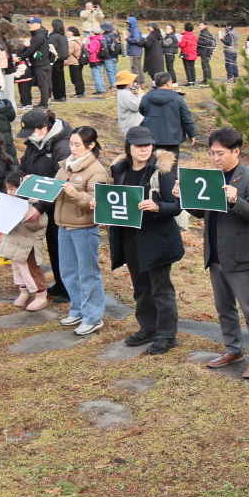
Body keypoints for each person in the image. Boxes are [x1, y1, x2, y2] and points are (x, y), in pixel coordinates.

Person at [185, 127, 249, 377]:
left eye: (220, 153)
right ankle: (233, 349)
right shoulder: (212, 177)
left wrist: (235, 200)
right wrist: (185, 199)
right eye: (212, 153)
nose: (215, 158)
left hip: (241, 254)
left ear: (236, 151)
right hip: (216, 253)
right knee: (224, 308)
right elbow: (202, 211)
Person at [105, 126, 184, 355]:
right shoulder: (120, 170)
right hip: (130, 236)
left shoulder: (163, 171)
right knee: (140, 287)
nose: (144, 149)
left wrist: (157, 206)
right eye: (139, 145)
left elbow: (177, 206)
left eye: (148, 145)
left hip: (157, 238)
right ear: (128, 147)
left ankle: (167, 335)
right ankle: (147, 327)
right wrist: (102, 206)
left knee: (161, 289)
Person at [51, 126, 112, 335]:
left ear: (91, 145)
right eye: (71, 144)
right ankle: (77, 309)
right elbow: (54, 187)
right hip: (64, 225)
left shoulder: (96, 170)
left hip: (84, 228)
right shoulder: (66, 165)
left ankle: (93, 317)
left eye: (77, 144)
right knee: (68, 271)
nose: (73, 148)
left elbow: (97, 202)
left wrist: (76, 194)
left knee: (88, 273)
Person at [18, 107, 71, 291]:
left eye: (31, 131)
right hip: (40, 202)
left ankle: (68, 287)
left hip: (59, 205)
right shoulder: (33, 144)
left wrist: (40, 207)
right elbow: (22, 167)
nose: (29, 136)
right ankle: (60, 283)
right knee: (52, 244)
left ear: (44, 127)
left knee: (61, 245)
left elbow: (59, 180)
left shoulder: (63, 146)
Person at [0, 169, 49, 311]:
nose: (10, 192)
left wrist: (27, 218)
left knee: (31, 270)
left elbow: (40, 224)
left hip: (27, 245)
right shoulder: (8, 202)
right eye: (8, 189)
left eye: (13, 189)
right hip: (12, 241)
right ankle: (24, 292)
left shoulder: (35, 204)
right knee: (17, 269)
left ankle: (41, 295)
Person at [138, 72, 196, 165]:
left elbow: (142, 111)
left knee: (151, 165)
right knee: (171, 166)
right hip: (172, 138)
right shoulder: (178, 98)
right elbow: (186, 118)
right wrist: (191, 134)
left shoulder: (146, 98)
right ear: (169, 83)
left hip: (151, 138)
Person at [20, 17, 54, 107]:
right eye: (29, 23)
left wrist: (21, 57)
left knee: (42, 84)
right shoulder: (39, 34)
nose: (30, 25)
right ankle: (43, 102)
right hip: (40, 62)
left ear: (39, 25)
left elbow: (32, 49)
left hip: (41, 63)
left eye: (32, 23)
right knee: (42, 83)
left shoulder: (39, 36)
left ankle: (44, 103)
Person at [47, 19, 69, 104]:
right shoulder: (63, 36)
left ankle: (59, 95)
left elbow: (52, 48)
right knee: (60, 78)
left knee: (55, 78)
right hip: (62, 58)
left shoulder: (54, 36)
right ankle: (61, 95)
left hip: (55, 59)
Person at [115, 69, 143, 137]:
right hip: (131, 127)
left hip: (133, 125)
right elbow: (136, 107)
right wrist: (140, 95)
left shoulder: (124, 92)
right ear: (127, 83)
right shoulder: (124, 94)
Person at [64, 26, 85, 97]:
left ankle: (79, 92)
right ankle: (81, 91)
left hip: (74, 62)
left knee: (75, 78)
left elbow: (68, 52)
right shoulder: (79, 40)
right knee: (79, 77)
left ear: (73, 33)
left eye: (68, 31)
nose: (67, 33)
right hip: (79, 61)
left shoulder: (71, 42)